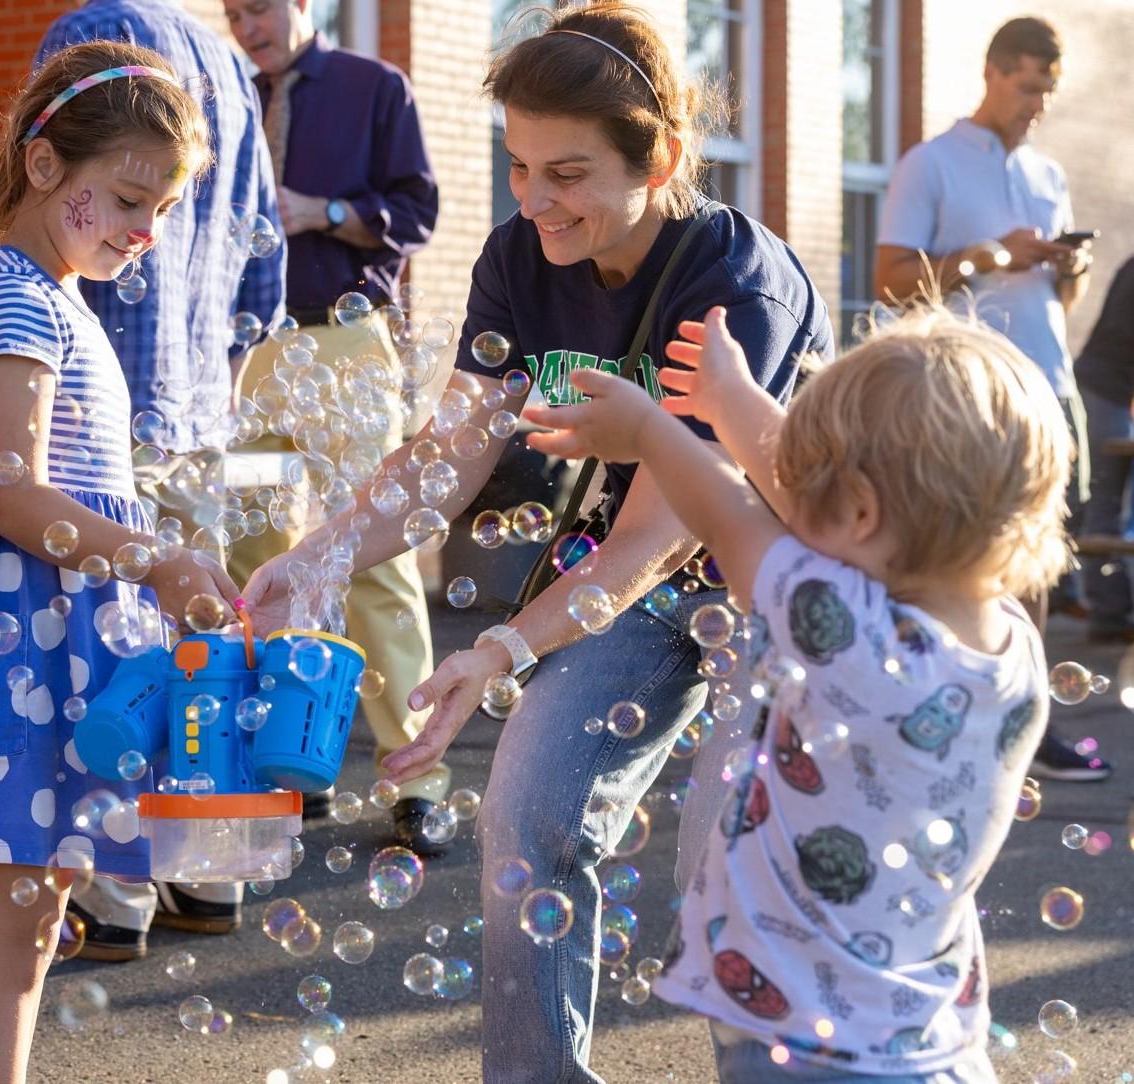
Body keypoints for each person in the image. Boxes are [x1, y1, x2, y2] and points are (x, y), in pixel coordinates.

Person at [244, 5, 833, 1080]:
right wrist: (321, 553)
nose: (533, 201)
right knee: (527, 811)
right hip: (636, 586)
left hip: (776, 588)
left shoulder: (734, 281)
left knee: (730, 867)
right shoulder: (519, 257)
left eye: (566, 173)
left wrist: (501, 648)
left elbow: (662, 530)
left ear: (654, 155)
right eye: (517, 167)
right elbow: (451, 452)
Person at [524, 304, 1064, 1084]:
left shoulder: (841, 630)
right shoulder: (1010, 644)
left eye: (810, 487)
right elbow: (824, 514)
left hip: (811, 1050)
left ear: (863, 513)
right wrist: (730, 395)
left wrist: (649, 431)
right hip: (929, 1038)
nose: (786, 495)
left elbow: (728, 509)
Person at [0, 42, 237, 1082]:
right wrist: (153, 558)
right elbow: (11, 490)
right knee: (5, 949)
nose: (144, 232)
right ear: (42, 167)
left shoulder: (58, 298)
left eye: (162, 212)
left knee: (28, 937)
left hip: (37, 649)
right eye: (125, 197)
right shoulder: (13, 300)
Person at [35, 0, 286, 957]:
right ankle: (204, 870)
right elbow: (265, 261)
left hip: (96, 408)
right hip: (197, 402)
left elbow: (54, 197)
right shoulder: (228, 61)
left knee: (111, 652)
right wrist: (214, 393)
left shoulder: (90, 34)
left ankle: (114, 891)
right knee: (199, 643)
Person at [221, 0, 449, 850]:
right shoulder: (225, 94)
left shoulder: (373, 86)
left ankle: (415, 779)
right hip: (251, 354)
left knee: (370, 555)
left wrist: (319, 211)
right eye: (233, 11)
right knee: (253, 554)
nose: (249, 25)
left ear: (305, 4)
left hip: (348, 346)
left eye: (262, 7)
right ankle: (287, 756)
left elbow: (418, 211)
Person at [874, 15, 1107, 783]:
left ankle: (1026, 722)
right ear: (995, 71)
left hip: (1046, 386)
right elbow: (893, 281)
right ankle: (953, 717)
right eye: (1030, 85)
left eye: (1049, 89)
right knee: (963, 563)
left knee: (1035, 566)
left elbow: (1056, 303)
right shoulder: (930, 163)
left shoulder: (1046, 173)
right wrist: (994, 254)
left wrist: (1063, 269)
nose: (1039, 102)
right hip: (965, 395)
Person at [1073, 256, 1134, 640]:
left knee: (1100, 500)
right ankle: (1107, 615)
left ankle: (1105, 607)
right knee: (1102, 498)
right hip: (1102, 391)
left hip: (1108, 390)